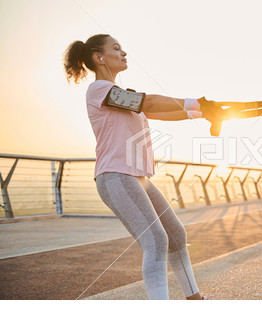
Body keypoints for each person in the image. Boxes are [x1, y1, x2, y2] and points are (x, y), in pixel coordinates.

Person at [63, 34, 206, 300]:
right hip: (116, 176)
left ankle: (196, 301)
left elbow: (160, 110)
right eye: (116, 48)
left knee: (175, 235)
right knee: (156, 241)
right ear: (99, 57)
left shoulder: (122, 97)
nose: (124, 52)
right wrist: (194, 102)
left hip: (138, 178)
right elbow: (148, 103)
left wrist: (202, 111)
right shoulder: (100, 91)